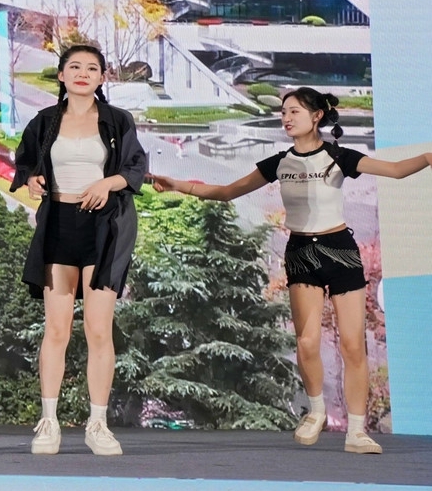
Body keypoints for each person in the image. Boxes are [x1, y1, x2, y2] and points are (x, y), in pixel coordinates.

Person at [152, 88, 430, 454]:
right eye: (284, 112)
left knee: (352, 345)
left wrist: (427, 156)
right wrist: (178, 185)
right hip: (301, 252)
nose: (286, 118)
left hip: (339, 251)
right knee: (307, 341)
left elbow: (394, 170)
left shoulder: (339, 157)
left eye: (294, 111)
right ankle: (316, 411)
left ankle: (357, 431)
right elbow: (228, 191)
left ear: (317, 116)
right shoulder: (278, 162)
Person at [10, 44, 146, 457]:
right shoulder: (45, 120)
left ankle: (98, 424)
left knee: (99, 330)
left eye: (91, 68)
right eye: (74, 67)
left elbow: (135, 167)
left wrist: (107, 183)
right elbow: (25, 163)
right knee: (57, 330)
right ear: (61, 75)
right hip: (59, 225)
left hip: (104, 228)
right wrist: (32, 180)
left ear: (102, 77)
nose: (83, 73)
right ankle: (49, 422)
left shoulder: (117, 120)